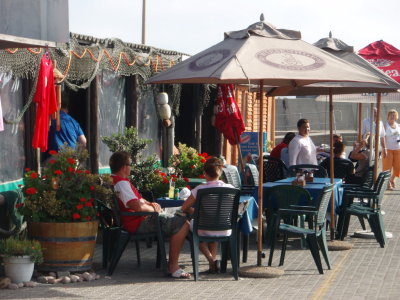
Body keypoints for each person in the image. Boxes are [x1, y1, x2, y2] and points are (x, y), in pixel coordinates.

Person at [109, 151, 191, 279]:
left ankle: (171, 263)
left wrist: (151, 204)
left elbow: (138, 202)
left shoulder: (117, 180)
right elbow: (136, 206)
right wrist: (154, 210)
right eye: (130, 164)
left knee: (179, 213)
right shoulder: (121, 183)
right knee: (182, 223)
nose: (131, 167)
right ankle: (173, 267)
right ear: (124, 167)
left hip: (138, 218)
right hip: (138, 222)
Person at [182, 157, 235, 274]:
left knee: (189, 226)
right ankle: (212, 267)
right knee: (211, 225)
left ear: (204, 173)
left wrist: (193, 211)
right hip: (226, 229)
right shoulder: (231, 189)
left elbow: (184, 207)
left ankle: (211, 260)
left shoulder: (200, 189)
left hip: (203, 228)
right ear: (220, 172)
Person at [382, 109, 400, 190]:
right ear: (388, 117)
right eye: (391, 115)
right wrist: (384, 148)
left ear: (396, 117)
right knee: (387, 168)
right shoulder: (385, 126)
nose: (392, 117)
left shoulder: (398, 125)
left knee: (398, 167)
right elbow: (383, 138)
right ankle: (387, 183)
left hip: (398, 149)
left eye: (394, 115)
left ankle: (392, 179)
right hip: (388, 149)